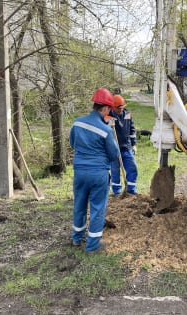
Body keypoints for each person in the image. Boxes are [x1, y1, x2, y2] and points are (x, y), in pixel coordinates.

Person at [70, 88, 120, 254]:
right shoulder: (105, 130)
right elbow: (114, 155)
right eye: (109, 110)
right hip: (98, 173)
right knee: (98, 208)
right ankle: (92, 246)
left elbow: (73, 143)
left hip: (79, 172)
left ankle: (76, 238)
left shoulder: (77, 123)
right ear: (105, 109)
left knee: (79, 204)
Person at [109, 95, 138, 196]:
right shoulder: (108, 116)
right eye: (118, 108)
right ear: (113, 107)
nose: (121, 109)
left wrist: (134, 144)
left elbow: (132, 129)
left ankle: (131, 190)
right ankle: (117, 192)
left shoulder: (127, 114)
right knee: (115, 170)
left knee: (132, 168)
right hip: (114, 148)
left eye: (122, 107)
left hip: (127, 147)